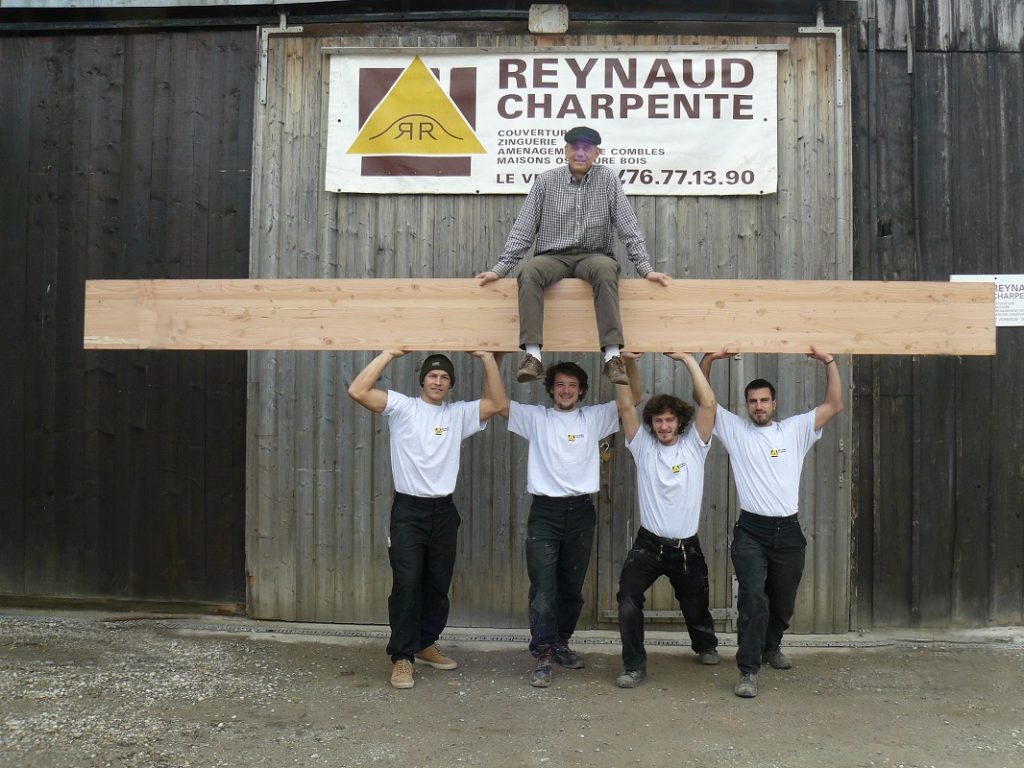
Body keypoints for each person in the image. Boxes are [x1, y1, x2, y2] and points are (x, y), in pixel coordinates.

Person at [347, 350, 507, 690]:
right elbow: (358, 391)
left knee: (437, 584)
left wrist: (488, 357)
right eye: (433, 375)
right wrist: (390, 351)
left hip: (443, 511)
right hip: (408, 511)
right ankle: (402, 657)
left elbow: (497, 402)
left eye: (444, 377)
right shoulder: (402, 407)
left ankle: (424, 643)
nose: (438, 381)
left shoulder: (457, 414)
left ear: (450, 384)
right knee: (407, 583)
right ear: (423, 380)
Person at [476, 125, 671, 387]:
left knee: (606, 269)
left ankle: (612, 357)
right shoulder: (546, 180)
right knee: (530, 271)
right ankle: (532, 356)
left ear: (597, 153)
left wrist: (646, 269)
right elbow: (523, 228)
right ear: (565, 150)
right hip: (553, 256)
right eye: (575, 147)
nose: (580, 153)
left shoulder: (608, 180)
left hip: (594, 255)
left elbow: (628, 227)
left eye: (587, 148)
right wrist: (500, 269)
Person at [699, 347, 843, 698]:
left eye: (764, 400)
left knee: (782, 601)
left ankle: (771, 645)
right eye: (752, 401)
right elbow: (703, 401)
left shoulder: (794, 430)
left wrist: (829, 361)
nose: (758, 406)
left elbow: (834, 404)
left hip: (789, 531)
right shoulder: (735, 430)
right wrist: (708, 360)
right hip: (751, 530)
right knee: (752, 599)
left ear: (774, 404)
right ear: (746, 405)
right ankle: (748, 670)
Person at [501, 360, 640, 688]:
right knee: (544, 589)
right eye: (560, 384)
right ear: (551, 388)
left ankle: (561, 641)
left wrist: (627, 363)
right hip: (545, 513)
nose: (566, 390)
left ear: (581, 390)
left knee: (571, 587)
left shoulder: (592, 417)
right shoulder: (536, 417)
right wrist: (491, 360)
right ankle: (543, 653)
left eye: (572, 385)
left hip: (580, 512)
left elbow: (633, 397)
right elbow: (497, 403)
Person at [613, 352, 720, 689]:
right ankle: (633, 665)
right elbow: (626, 407)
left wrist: (688, 359)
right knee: (627, 598)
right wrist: (623, 362)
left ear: (680, 423)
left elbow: (709, 405)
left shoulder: (694, 447)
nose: (663, 426)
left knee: (696, 602)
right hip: (649, 545)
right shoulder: (642, 446)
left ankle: (704, 644)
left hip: (687, 547)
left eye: (669, 420)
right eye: (658, 421)